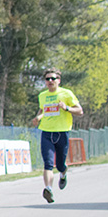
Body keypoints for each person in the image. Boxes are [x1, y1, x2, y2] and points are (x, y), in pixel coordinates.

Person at [31, 68, 82, 204]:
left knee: (59, 165)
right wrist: (38, 117)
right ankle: (48, 189)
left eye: (53, 78)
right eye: (47, 79)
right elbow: (44, 109)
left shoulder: (66, 94)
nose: (50, 81)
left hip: (62, 132)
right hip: (46, 132)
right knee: (47, 163)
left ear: (58, 81)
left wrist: (66, 108)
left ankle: (63, 173)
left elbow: (80, 111)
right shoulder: (42, 95)